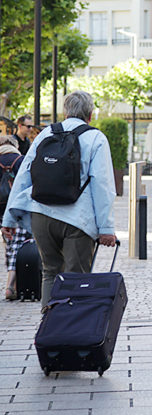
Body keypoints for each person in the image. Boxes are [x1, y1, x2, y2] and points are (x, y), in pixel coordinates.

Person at [1, 91, 118, 308]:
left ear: (65, 112)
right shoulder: (96, 138)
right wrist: (106, 228)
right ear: (90, 114)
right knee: (76, 277)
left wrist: (9, 219)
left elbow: (24, 176)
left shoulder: (45, 134)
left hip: (41, 215)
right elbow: (102, 185)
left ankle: (48, 322)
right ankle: (72, 326)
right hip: (77, 219)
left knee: (50, 273)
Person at [0, 136, 29, 300]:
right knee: (17, 246)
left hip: (1, 210)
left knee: (9, 247)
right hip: (16, 209)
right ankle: (11, 285)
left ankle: (15, 285)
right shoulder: (21, 160)